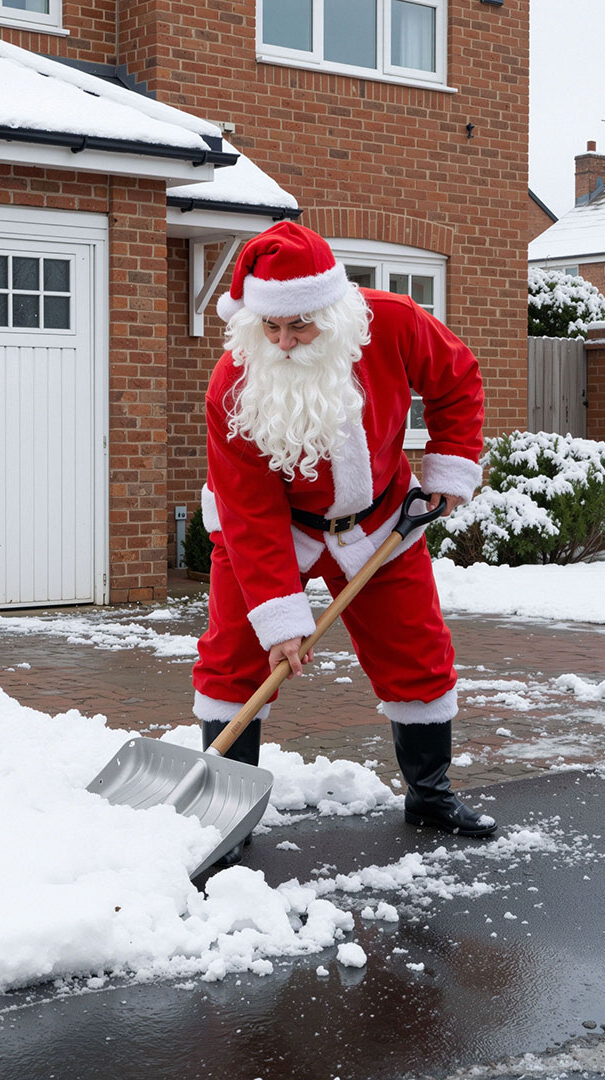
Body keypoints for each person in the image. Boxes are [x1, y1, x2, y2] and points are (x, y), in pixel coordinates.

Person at [192, 221, 497, 858]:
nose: (283, 343)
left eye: (299, 326)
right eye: (270, 328)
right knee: (235, 657)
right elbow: (248, 509)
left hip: (381, 518)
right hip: (274, 529)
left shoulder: (394, 322)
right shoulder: (233, 383)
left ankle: (430, 793)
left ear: (332, 310)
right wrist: (279, 616)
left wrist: (448, 466)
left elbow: (457, 380)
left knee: (415, 650)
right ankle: (224, 811)